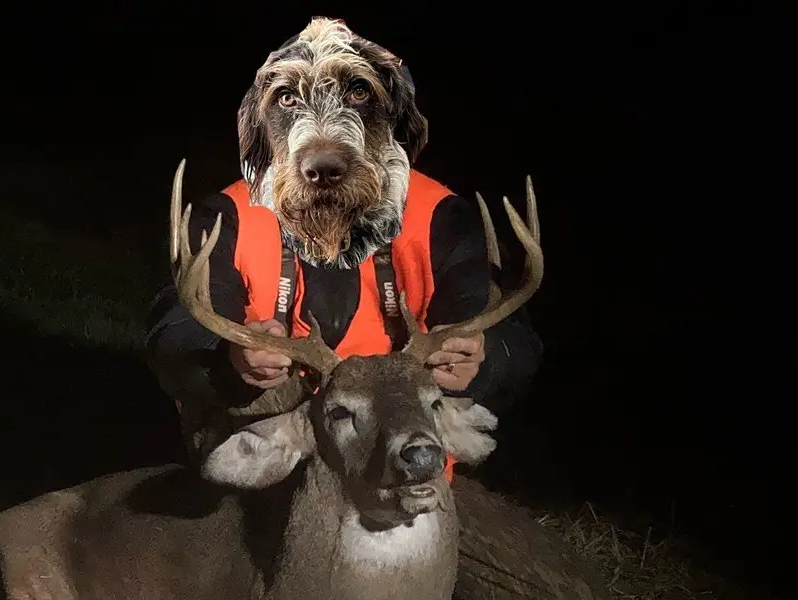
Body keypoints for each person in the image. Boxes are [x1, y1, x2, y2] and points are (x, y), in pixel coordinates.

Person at [145, 17, 543, 463]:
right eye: (288, 98)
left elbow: (516, 346)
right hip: (264, 454)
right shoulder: (226, 218)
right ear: (258, 130)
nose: (322, 153)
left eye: (358, 93)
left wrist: (482, 364)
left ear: (397, 122)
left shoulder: (444, 220)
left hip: (397, 464)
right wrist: (229, 363)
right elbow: (174, 338)